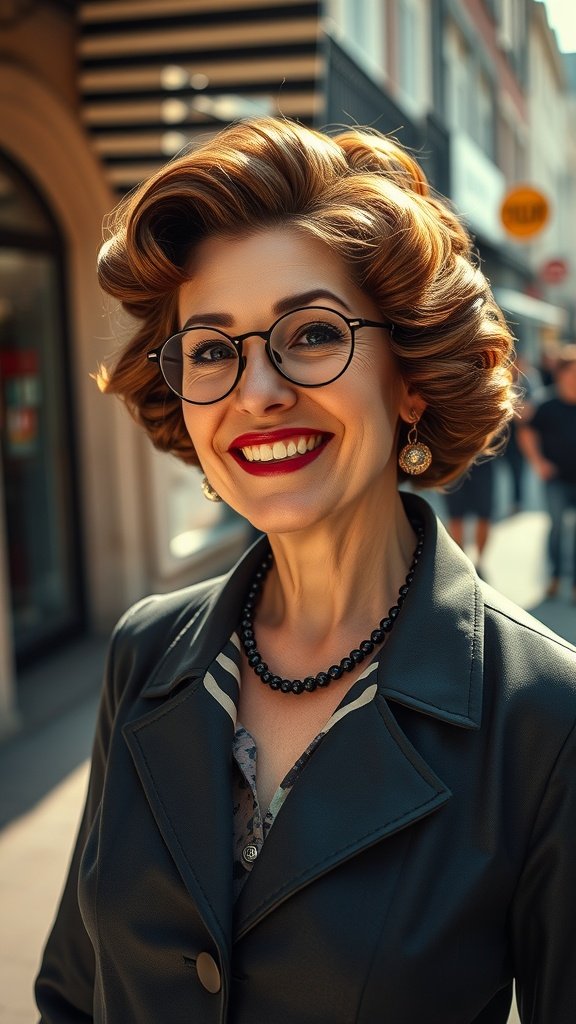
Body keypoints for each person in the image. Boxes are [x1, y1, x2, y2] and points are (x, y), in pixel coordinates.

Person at [35, 117, 576, 1023]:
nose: (257, 392)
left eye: (314, 334)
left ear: (410, 379)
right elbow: (72, 991)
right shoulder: (146, 652)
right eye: (211, 350)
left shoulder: (544, 717)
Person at [518, 344, 576, 601]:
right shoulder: (547, 404)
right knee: (556, 528)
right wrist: (538, 461)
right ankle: (554, 576)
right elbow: (527, 431)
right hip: (555, 479)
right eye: (571, 372)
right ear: (561, 374)